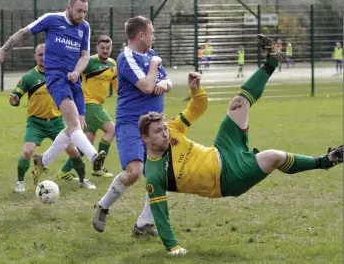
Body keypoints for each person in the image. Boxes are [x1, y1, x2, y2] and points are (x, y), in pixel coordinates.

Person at [137, 34, 343, 254]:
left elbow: (197, 109)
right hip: (227, 179)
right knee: (273, 156)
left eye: (165, 128)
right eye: (158, 132)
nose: (166, 133)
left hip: (222, 149)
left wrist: (195, 91)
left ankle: (272, 60)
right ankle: (325, 161)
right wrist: (173, 247)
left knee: (238, 104)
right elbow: (160, 212)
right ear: (145, 139)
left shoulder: (173, 128)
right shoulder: (154, 173)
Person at [0, 0, 107, 185]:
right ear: (68, 7)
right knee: (73, 124)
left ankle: (43, 160)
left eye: (85, 12)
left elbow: (85, 56)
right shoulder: (52, 19)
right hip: (56, 78)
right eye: (79, 10)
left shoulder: (84, 27)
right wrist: (3, 50)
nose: (82, 15)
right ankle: (94, 157)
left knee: (75, 128)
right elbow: (24, 32)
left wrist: (77, 71)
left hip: (75, 81)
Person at [92, 16, 172, 237]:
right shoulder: (126, 58)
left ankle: (144, 224)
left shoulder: (152, 55)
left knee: (159, 175)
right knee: (134, 172)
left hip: (155, 125)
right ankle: (103, 206)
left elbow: (167, 82)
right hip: (132, 125)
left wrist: (164, 83)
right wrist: (155, 67)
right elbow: (147, 86)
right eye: (152, 33)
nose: (153, 37)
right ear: (141, 35)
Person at [10, 44, 95, 192]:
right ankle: (20, 182)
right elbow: (16, 94)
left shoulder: (59, 74)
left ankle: (83, 179)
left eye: (46, 54)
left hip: (57, 122)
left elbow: (75, 95)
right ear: (35, 57)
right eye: (40, 54)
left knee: (73, 151)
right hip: (35, 123)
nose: (44, 57)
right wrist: (14, 100)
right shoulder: (29, 77)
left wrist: (79, 116)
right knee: (27, 152)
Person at [58, 35, 118, 179]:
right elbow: (74, 72)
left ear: (111, 48)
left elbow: (118, 88)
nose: (105, 51)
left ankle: (64, 171)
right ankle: (99, 168)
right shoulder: (90, 61)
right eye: (102, 48)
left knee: (88, 141)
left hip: (97, 105)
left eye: (107, 48)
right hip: (89, 104)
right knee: (112, 130)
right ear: (97, 48)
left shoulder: (112, 64)